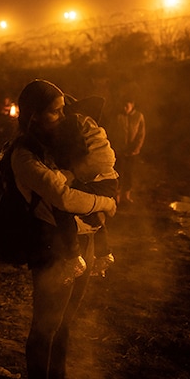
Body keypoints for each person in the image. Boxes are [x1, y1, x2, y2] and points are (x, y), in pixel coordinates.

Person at [10, 79, 117, 379]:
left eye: (62, 107)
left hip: (80, 243)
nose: (63, 115)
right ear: (35, 116)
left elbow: (97, 168)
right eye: (55, 110)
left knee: (66, 321)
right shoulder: (23, 155)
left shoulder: (62, 142)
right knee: (46, 326)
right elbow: (62, 197)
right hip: (51, 249)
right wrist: (105, 204)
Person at [51, 96, 119, 278]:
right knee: (91, 211)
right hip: (109, 179)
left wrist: (64, 169)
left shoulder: (71, 123)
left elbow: (77, 151)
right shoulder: (87, 121)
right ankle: (105, 254)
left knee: (63, 206)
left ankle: (73, 258)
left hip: (96, 179)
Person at [107, 96, 145, 204]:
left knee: (129, 174)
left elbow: (141, 135)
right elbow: (112, 131)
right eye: (123, 106)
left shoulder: (138, 116)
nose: (124, 108)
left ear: (132, 105)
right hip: (119, 150)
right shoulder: (118, 116)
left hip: (132, 152)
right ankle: (117, 195)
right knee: (118, 173)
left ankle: (126, 195)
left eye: (127, 106)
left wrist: (135, 149)